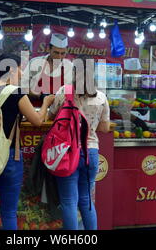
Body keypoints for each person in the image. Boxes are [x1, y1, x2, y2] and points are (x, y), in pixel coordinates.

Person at [0, 53, 55, 230]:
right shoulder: (17, 93)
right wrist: (46, 103)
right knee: (8, 213)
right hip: (8, 157)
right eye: (20, 69)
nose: (22, 74)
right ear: (10, 70)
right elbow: (38, 121)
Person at [47, 56, 110, 230]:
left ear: (75, 72)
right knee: (86, 200)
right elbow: (104, 128)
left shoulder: (65, 92)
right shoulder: (102, 97)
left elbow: (51, 116)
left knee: (69, 201)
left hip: (68, 152)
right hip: (91, 152)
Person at [22, 33, 73, 100]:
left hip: (58, 108)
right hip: (33, 106)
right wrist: (35, 94)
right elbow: (22, 86)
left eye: (63, 53)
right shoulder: (35, 63)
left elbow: (70, 91)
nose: (59, 57)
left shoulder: (69, 66)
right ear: (49, 49)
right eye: (56, 52)